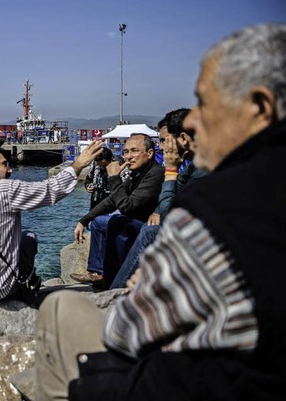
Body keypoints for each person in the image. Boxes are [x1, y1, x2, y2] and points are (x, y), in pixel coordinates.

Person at [34, 23, 286, 400]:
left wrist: (146, 286)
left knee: (59, 307)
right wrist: (86, 216)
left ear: (260, 107)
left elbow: (124, 332)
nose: (193, 123)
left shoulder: (220, 209)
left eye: (204, 102)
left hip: (181, 383)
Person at [0, 141, 104, 302]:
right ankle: (24, 291)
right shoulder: (6, 190)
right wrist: (78, 164)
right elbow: (50, 189)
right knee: (29, 237)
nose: (10, 169)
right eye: (5, 164)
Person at [102, 108, 208, 289]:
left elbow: (168, 210)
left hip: (203, 236)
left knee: (149, 232)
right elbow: (172, 197)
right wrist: (157, 210)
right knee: (116, 222)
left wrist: (172, 169)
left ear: (183, 138)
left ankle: (114, 295)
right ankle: (110, 283)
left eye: (164, 140)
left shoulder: (205, 167)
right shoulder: (194, 164)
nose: (160, 146)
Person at [71, 133, 164, 283]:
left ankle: (112, 277)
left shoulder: (155, 173)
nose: (129, 157)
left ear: (150, 153)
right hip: (136, 221)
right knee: (99, 222)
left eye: (134, 151)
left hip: (150, 227)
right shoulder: (136, 173)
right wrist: (84, 220)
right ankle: (97, 271)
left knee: (117, 221)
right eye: (126, 152)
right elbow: (112, 201)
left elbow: (127, 207)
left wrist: (114, 178)